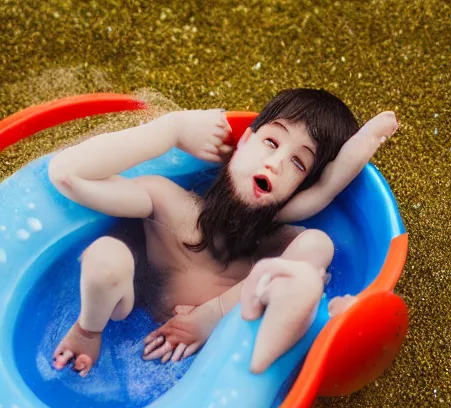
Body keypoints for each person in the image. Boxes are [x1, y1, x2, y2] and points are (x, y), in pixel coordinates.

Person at [49, 88, 397, 379]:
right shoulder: (166, 201)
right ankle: (86, 331)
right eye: (272, 143)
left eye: (298, 163)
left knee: (318, 244)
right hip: (125, 315)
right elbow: (67, 174)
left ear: (301, 189)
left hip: (219, 360)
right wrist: (172, 129)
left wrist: (211, 315)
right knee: (106, 256)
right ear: (244, 141)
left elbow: (330, 186)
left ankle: (215, 315)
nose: (275, 163)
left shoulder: (278, 244)